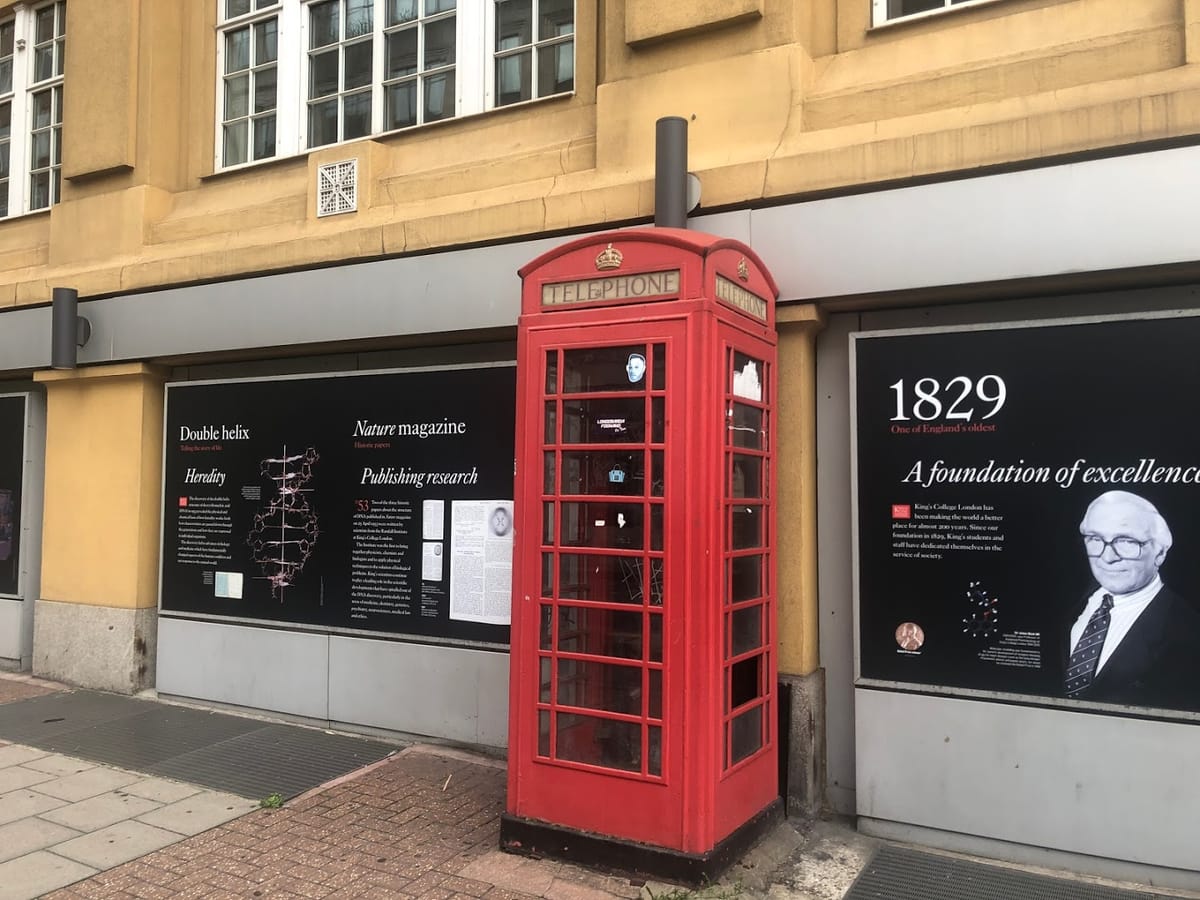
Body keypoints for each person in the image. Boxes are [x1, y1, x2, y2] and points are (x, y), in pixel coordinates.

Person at [1063, 490, 1200, 708]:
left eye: (1126, 541)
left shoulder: (1188, 632)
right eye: (1095, 539)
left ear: (1160, 552)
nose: (1108, 557)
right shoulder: (1067, 605)